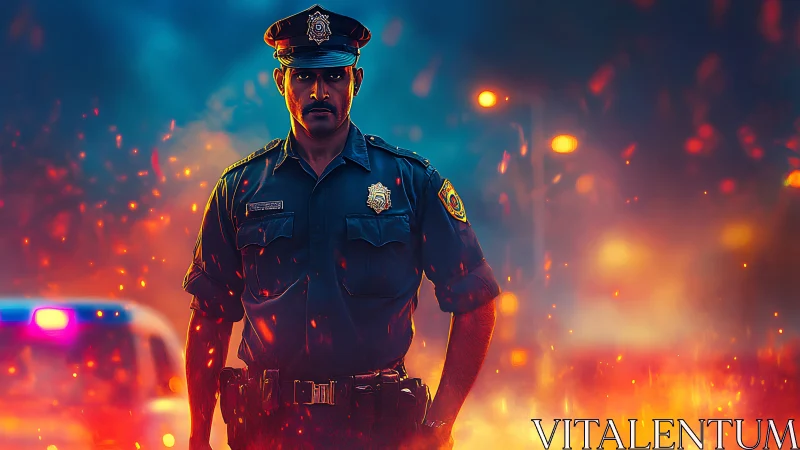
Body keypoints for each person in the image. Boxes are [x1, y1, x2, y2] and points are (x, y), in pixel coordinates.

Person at [183, 4, 500, 449]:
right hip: (267, 434)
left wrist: (439, 425)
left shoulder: (409, 181)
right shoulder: (240, 188)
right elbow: (209, 318)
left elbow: (476, 300)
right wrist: (198, 437)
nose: (319, 90)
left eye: (334, 76)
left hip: (378, 434)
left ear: (356, 81)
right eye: (304, 75)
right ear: (281, 83)